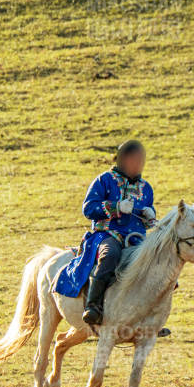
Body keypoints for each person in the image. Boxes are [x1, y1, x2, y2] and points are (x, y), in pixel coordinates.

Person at [80, 139, 156, 327]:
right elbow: (88, 209)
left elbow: (146, 221)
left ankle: (152, 316)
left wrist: (150, 215)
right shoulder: (104, 180)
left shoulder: (146, 188)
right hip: (108, 234)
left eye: (141, 160)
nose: (138, 164)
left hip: (136, 239)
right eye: (134, 160)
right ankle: (93, 306)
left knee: (154, 263)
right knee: (110, 256)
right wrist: (116, 207)